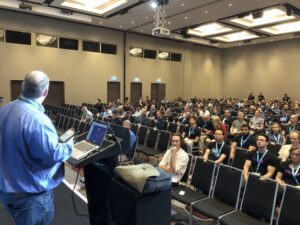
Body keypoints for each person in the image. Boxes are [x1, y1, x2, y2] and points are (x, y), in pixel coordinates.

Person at [0, 71, 73, 225]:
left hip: (8, 188)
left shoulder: (4, 110)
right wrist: (69, 144)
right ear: (46, 92)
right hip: (29, 195)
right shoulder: (37, 120)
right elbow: (52, 154)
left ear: (22, 87)